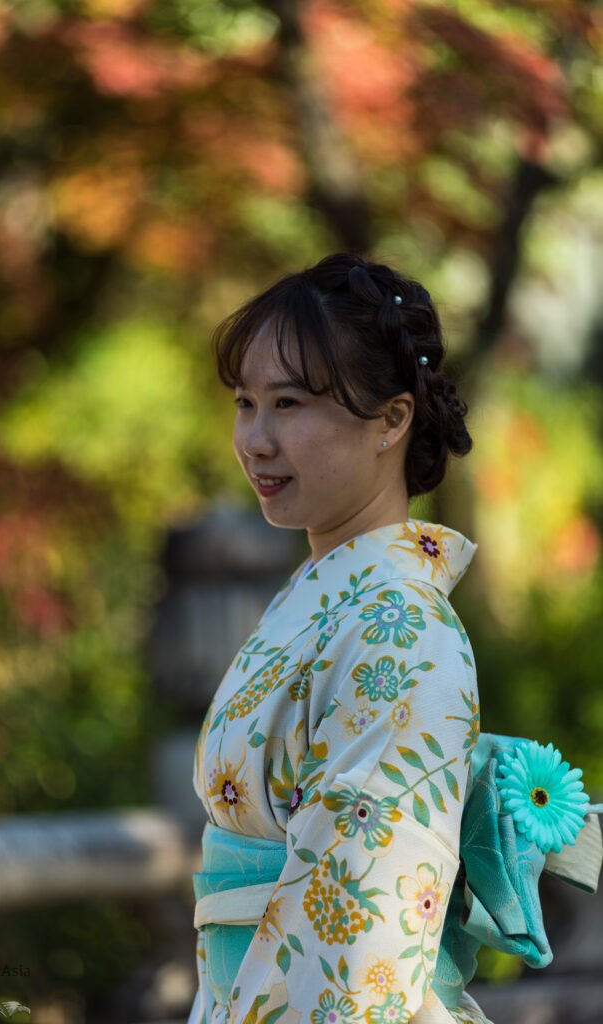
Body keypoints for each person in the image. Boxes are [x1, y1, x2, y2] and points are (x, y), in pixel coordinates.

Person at [187, 254, 601, 1024]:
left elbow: (362, 919)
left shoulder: (402, 632)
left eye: (290, 404)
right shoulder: (323, 605)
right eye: (246, 403)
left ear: (392, 419)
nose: (257, 439)